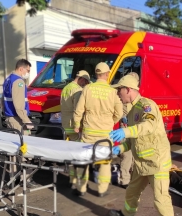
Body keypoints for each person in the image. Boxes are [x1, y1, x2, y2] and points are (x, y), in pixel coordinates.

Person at [108, 74, 179, 216]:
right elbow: (132, 140)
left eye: (119, 90)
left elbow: (149, 126)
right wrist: (121, 148)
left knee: (160, 199)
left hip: (157, 162)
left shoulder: (146, 105)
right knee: (132, 191)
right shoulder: (131, 112)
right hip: (141, 162)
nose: (118, 94)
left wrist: (127, 132)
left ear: (128, 90)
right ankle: (127, 215)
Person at [73, 62, 123, 197]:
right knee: (105, 162)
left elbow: (79, 110)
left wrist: (77, 125)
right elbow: (119, 113)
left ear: (96, 74)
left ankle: (81, 188)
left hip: (88, 132)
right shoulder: (113, 92)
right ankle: (102, 189)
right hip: (105, 134)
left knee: (83, 161)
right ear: (107, 74)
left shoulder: (87, 89)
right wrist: (110, 122)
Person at [2, 59, 37, 188]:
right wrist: (27, 122)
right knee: (25, 149)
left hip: (10, 118)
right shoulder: (19, 82)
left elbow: (3, 100)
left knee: (13, 149)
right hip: (18, 119)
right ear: (21, 69)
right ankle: (26, 179)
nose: (28, 73)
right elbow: (19, 106)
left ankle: (12, 178)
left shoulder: (8, 80)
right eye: (28, 70)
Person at [60, 70, 90, 188]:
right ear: (82, 79)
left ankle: (72, 180)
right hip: (74, 126)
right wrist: (81, 125)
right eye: (85, 82)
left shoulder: (66, 88)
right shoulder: (77, 90)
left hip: (65, 125)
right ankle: (79, 181)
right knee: (79, 155)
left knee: (72, 154)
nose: (85, 85)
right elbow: (79, 110)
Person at [117, 72, 139, 188]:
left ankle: (133, 176)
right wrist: (123, 118)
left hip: (133, 129)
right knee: (126, 155)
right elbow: (117, 109)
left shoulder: (137, 98)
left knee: (135, 154)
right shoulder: (122, 95)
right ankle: (124, 179)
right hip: (125, 128)